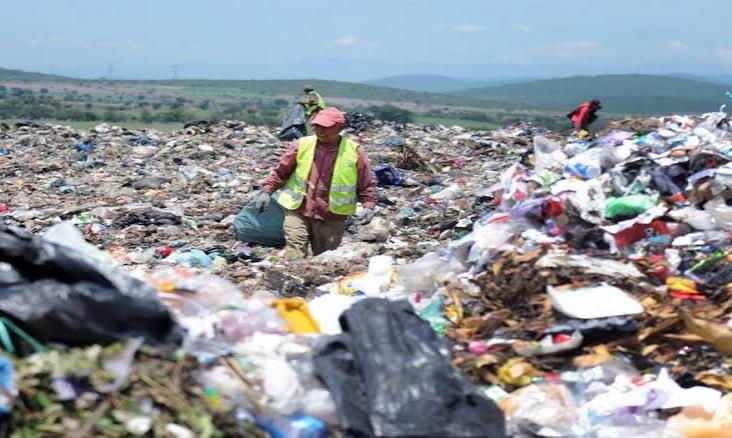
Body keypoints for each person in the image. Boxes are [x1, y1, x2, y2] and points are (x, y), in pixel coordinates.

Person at [254, 107, 376, 258]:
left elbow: (366, 182)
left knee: (324, 257)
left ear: (340, 128)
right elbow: (281, 172)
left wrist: (368, 206)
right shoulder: (301, 145)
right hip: (298, 208)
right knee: (295, 249)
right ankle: (294, 277)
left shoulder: (354, 151)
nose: (320, 131)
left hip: (331, 215)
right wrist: (266, 192)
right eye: (317, 126)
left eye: (326, 127)